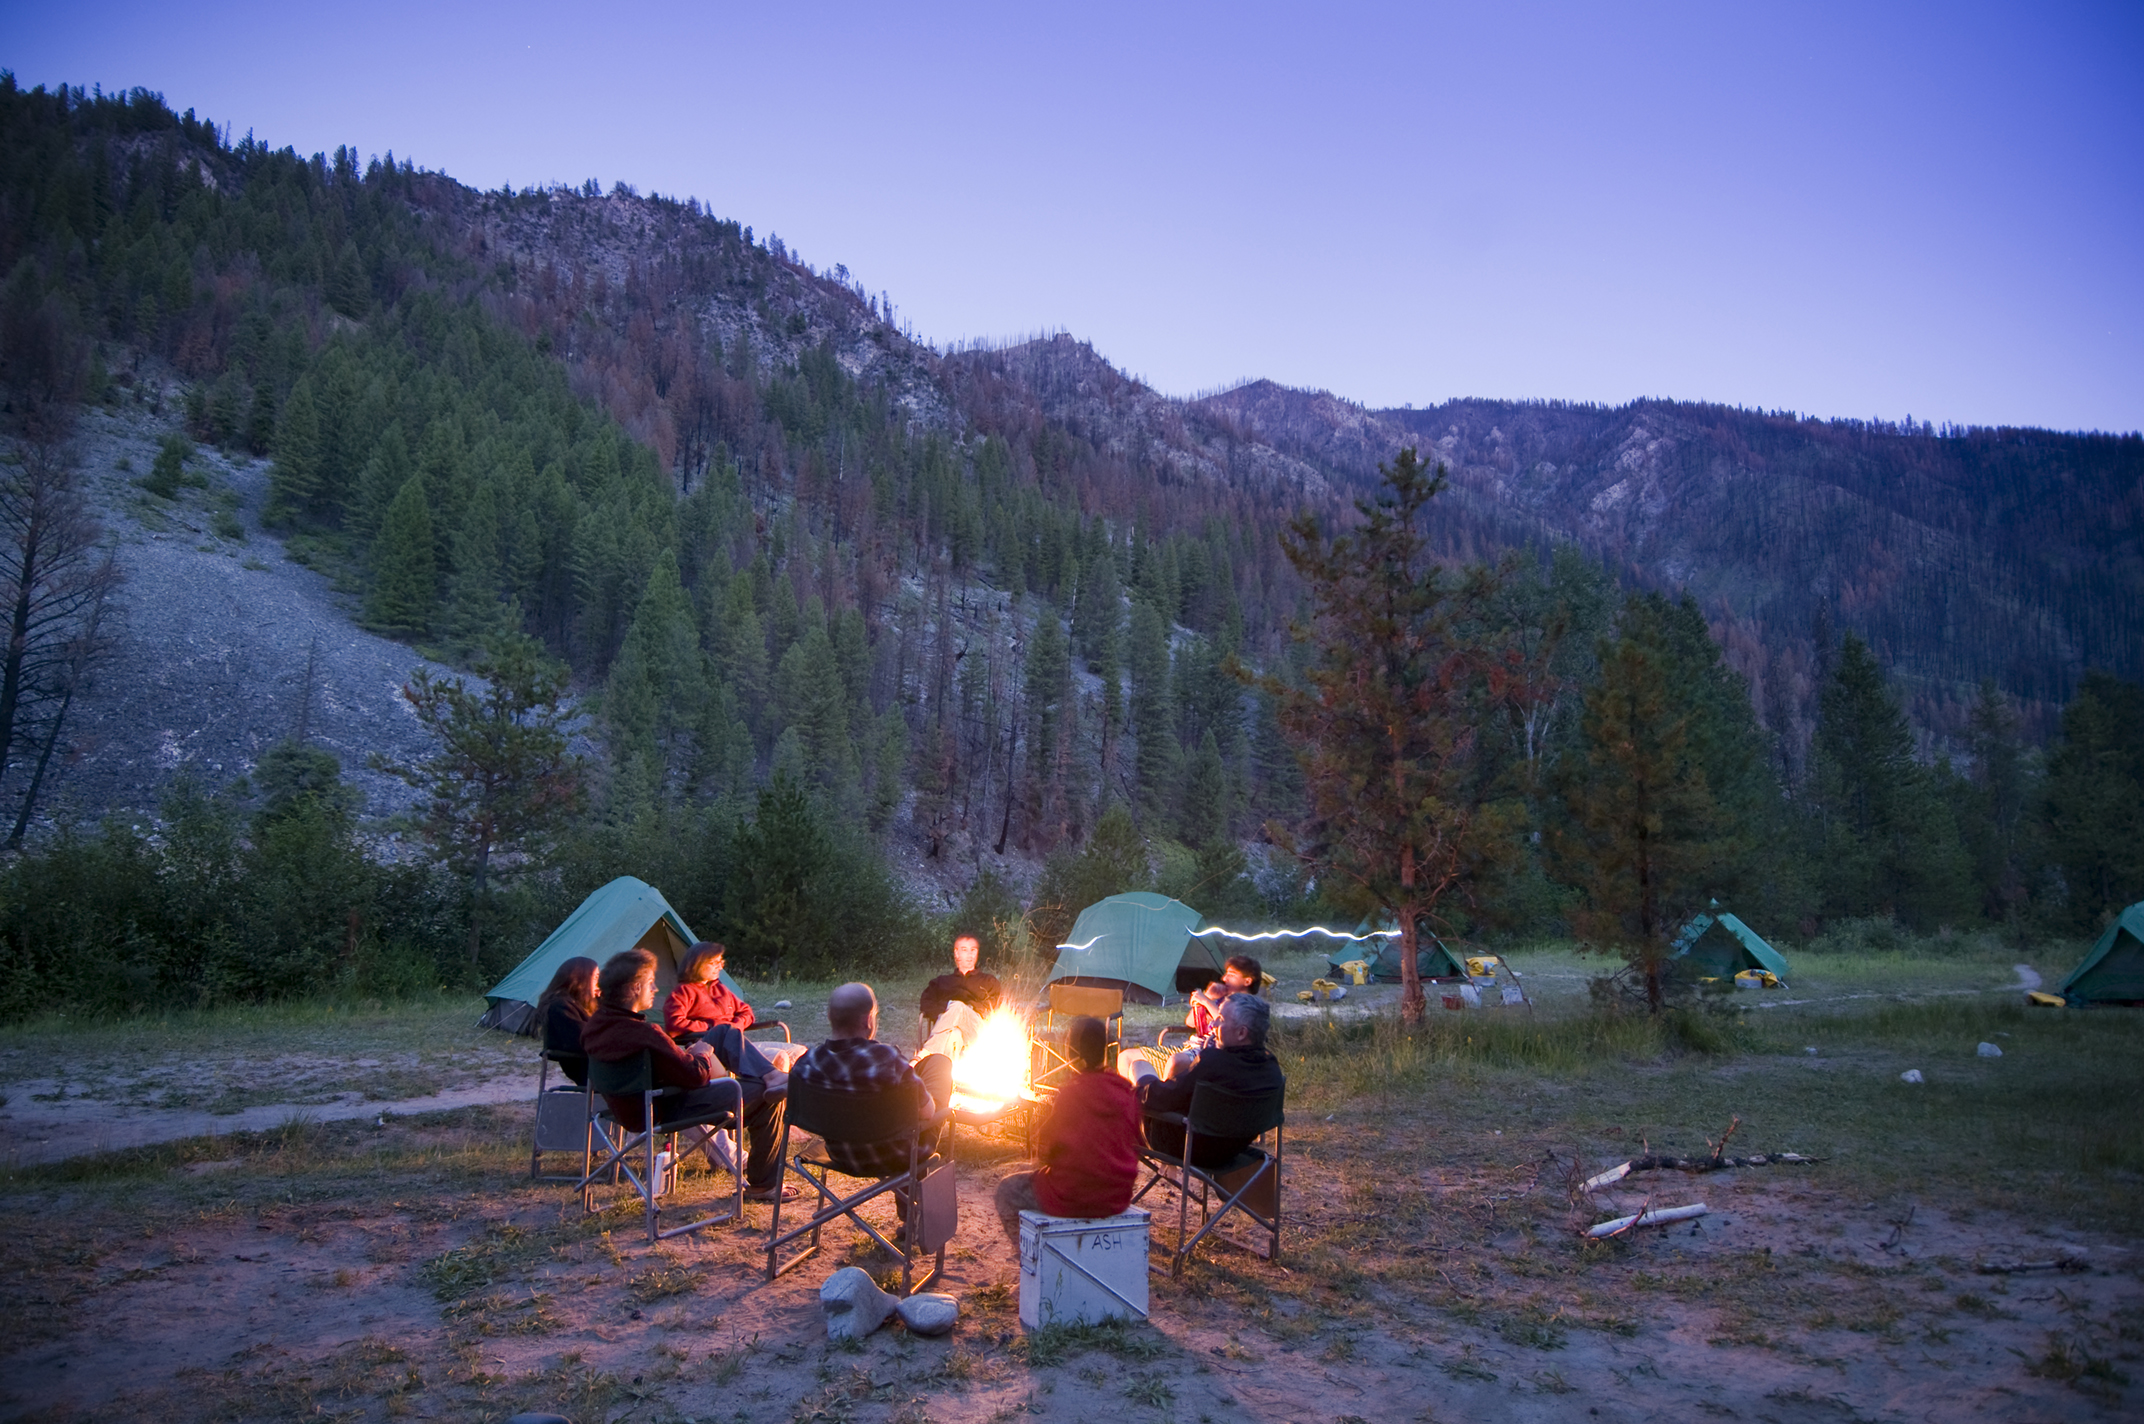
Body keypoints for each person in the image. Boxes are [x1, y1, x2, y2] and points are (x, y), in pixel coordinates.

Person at [580, 948, 794, 1202]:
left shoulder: (595, 1026)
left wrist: (692, 1054)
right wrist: (701, 1055)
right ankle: (763, 1185)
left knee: (724, 1032)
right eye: (650, 984)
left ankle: (771, 1075)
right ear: (635, 988)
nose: (655, 989)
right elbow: (695, 1077)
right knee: (767, 1095)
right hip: (663, 1106)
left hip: (630, 1105)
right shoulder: (645, 1033)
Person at [993, 1015, 1143, 1245]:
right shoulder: (1125, 1092)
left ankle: (1034, 1264)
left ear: (1071, 1052)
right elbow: (1135, 1142)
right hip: (1117, 1196)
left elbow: (1047, 1150)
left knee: (1006, 1190)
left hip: (1072, 1196)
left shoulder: (1071, 1095)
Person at [793, 983, 954, 1180]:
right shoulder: (887, 1060)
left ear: (830, 1017)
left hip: (841, 1154)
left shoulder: (809, 1063)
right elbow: (928, 1113)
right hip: (898, 1155)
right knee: (940, 1064)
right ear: (868, 1020)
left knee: (917, 1074)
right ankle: (911, 1205)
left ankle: (910, 1203)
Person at [1125, 992, 1285, 1169]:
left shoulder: (1212, 1063)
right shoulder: (1271, 1069)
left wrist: (1134, 1092)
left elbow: (1161, 1098)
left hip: (1187, 1147)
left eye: (1221, 1019)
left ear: (1241, 1033)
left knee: (1138, 1066)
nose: (1213, 1023)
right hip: (1231, 1151)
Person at [1116, 953, 1263, 1083]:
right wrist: (1208, 997)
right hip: (1189, 1048)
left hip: (1208, 1053)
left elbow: (1228, 1023)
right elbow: (1190, 1022)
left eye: (1231, 974)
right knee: (1126, 1056)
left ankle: (1161, 1101)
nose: (1224, 978)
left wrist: (1206, 1000)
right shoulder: (1221, 998)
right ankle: (1132, 1107)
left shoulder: (1250, 1007)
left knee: (1176, 1061)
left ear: (1247, 981)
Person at [535, 956, 599, 1086]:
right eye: (596, 978)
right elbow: (584, 1040)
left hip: (598, 1064)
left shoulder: (579, 1004)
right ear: (581, 980)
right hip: (589, 1068)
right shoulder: (560, 1006)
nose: (599, 984)